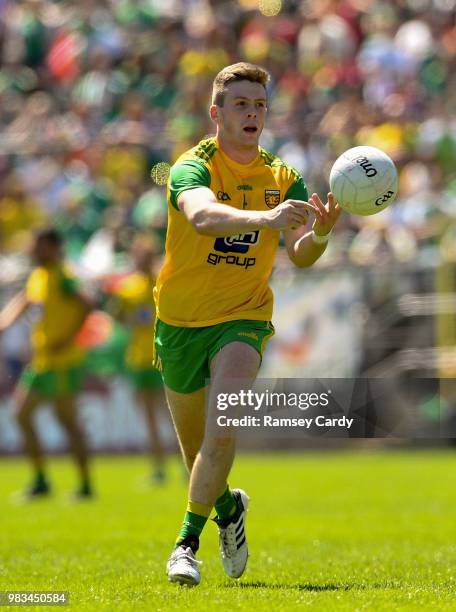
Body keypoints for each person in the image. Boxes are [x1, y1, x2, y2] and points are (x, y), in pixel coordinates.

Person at [153, 62, 341, 586]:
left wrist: (320, 235)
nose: (252, 113)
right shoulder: (193, 165)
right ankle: (229, 511)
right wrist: (267, 219)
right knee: (198, 457)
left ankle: (184, 546)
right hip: (179, 322)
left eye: (258, 104)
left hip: (245, 318)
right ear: (216, 113)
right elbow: (202, 217)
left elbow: (300, 255)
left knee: (221, 430)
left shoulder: (284, 177)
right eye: (240, 104)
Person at [0, 228, 94, 498]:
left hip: (64, 362)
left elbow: (88, 303)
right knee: (21, 413)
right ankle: (41, 480)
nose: (34, 250)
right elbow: (25, 301)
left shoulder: (64, 276)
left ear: (54, 248)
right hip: (42, 361)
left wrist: (67, 338)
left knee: (68, 422)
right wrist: (4, 323)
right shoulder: (39, 276)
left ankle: (85, 485)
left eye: (39, 246)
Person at [108, 235, 167, 483]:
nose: (142, 260)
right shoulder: (127, 287)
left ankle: (188, 467)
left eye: (146, 255)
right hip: (139, 358)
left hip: (163, 356)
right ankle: (158, 468)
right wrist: (127, 319)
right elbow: (115, 313)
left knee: (172, 415)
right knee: (150, 416)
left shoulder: (164, 281)